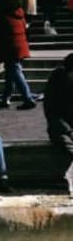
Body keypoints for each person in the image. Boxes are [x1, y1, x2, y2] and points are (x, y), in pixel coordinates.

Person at [0, 0, 42, 110]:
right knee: (11, 74)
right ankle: (5, 98)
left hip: (10, 49)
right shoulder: (20, 17)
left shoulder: (4, 18)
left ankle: (27, 98)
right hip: (21, 47)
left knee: (15, 73)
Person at [44, 53, 73, 182]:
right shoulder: (56, 83)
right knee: (67, 146)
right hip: (61, 129)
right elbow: (51, 112)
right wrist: (70, 131)